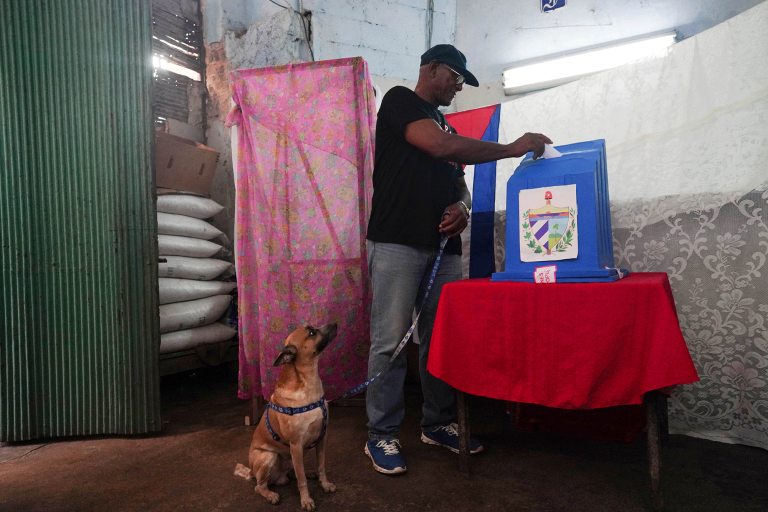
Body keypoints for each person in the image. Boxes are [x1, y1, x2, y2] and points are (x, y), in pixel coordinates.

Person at [364, 43, 552, 475]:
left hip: (442, 248)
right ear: (432, 69)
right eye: (454, 78)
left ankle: (438, 422)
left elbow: (459, 184)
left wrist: (464, 208)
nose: (458, 88)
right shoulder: (400, 102)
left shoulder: (445, 122)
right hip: (397, 241)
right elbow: (437, 148)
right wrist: (509, 148)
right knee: (389, 342)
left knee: (440, 338)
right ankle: (381, 434)